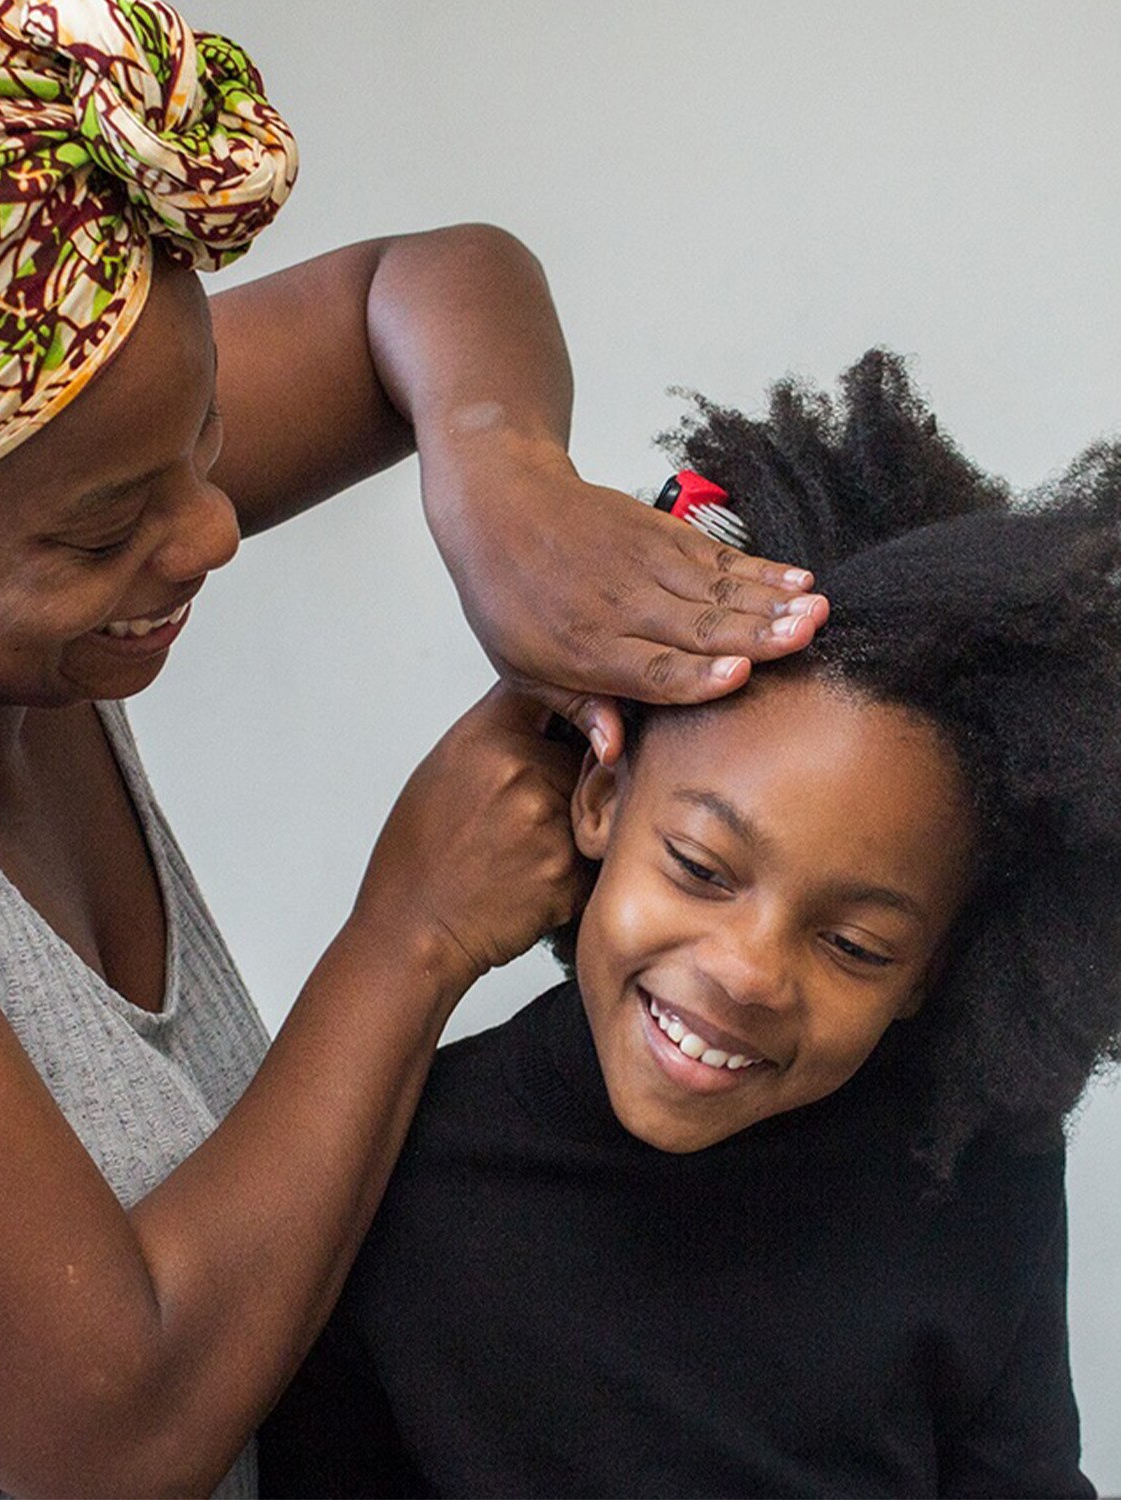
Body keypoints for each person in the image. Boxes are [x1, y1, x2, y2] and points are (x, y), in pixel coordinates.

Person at [0, 3, 828, 1497]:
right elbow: (121, 1434)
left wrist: (497, 481)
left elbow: (426, 277)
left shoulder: (42, 444)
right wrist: (415, 930)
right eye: (103, 531)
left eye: (200, 440)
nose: (206, 529)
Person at [259, 351, 1121, 1499]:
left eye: (857, 945)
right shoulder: (401, 1169)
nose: (749, 973)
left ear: (933, 970)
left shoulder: (975, 1166)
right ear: (602, 798)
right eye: (704, 867)